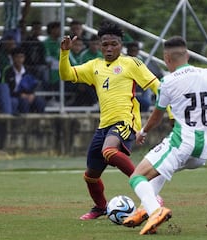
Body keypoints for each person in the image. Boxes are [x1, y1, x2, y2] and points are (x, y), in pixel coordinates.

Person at [122, 36, 207, 235]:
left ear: (166, 58)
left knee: (137, 176)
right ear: (187, 55)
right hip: (202, 150)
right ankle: (143, 209)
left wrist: (143, 131)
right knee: (160, 170)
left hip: (182, 142)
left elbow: (157, 116)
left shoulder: (167, 82)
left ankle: (154, 211)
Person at [59, 20, 169, 220]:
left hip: (125, 123)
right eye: (105, 44)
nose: (109, 48)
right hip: (104, 126)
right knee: (90, 176)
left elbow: (157, 86)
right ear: (100, 45)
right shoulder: (94, 66)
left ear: (121, 45)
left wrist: (169, 111)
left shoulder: (131, 63)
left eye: (114, 44)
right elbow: (66, 75)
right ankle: (100, 207)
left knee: (109, 151)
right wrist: (65, 53)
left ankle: (148, 190)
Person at [2, 47, 45, 114]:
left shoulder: (28, 71)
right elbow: (5, 88)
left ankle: (41, 122)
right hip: (14, 96)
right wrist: (20, 95)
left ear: (24, 58)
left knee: (40, 102)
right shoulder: (8, 71)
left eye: (21, 57)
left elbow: (33, 85)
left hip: (27, 95)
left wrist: (32, 94)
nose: (19, 60)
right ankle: (25, 122)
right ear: (12, 58)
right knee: (23, 102)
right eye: (17, 57)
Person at [20, 20, 49, 89]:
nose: (37, 31)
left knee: (44, 70)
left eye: (39, 29)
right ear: (32, 29)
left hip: (38, 66)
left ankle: (46, 89)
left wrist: (45, 64)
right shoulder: (26, 41)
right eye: (36, 28)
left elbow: (42, 58)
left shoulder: (40, 44)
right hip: (27, 65)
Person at [126, 41, 154, 112]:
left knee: (148, 88)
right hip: (126, 88)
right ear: (128, 51)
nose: (133, 53)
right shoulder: (123, 61)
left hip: (138, 86)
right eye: (132, 51)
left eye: (135, 51)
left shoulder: (140, 61)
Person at [43, 21, 61, 91]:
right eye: (58, 29)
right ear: (52, 30)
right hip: (52, 65)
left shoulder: (60, 42)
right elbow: (48, 58)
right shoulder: (46, 42)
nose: (60, 31)